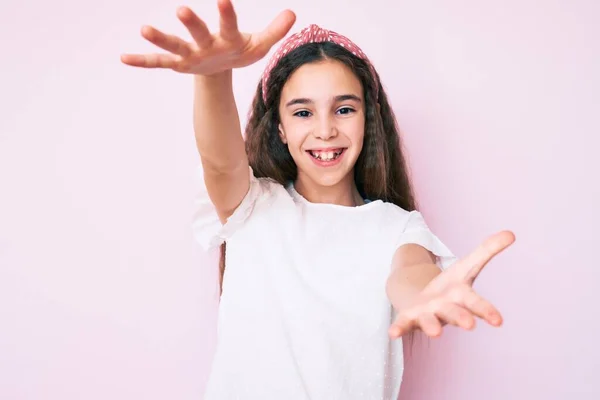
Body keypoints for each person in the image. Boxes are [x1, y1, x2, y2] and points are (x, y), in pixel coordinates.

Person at [121, 1, 515, 398]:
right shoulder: (252, 207)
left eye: (344, 109)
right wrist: (212, 77)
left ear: (368, 118)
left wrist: (428, 293)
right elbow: (220, 166)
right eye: (303, 113)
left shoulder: (397, 228)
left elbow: (410, 274)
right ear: (280, 127)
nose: (325, 130)